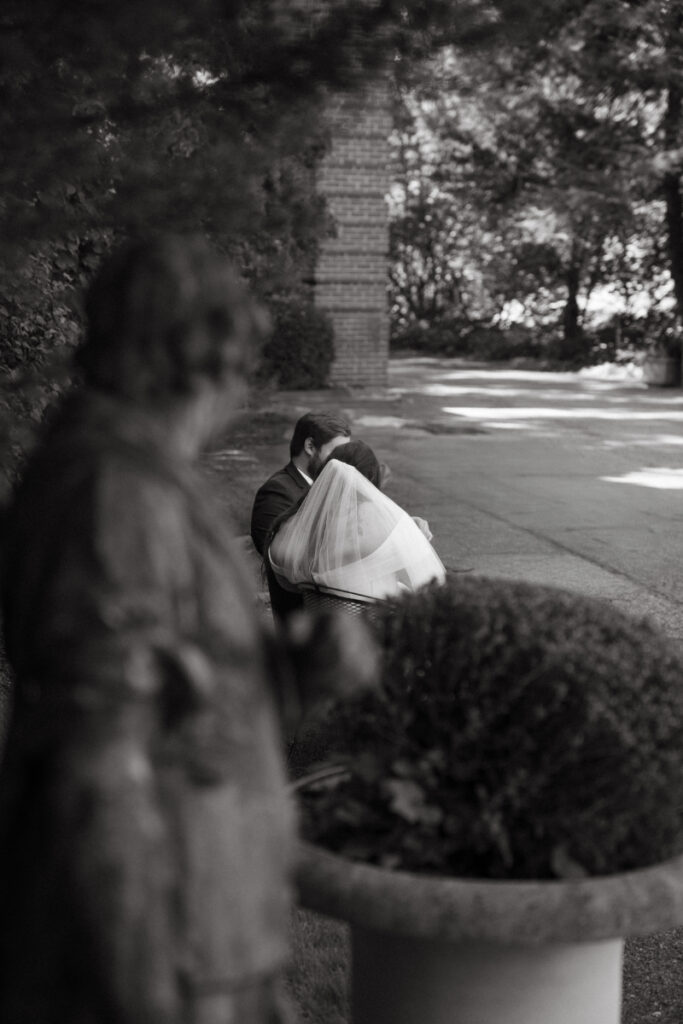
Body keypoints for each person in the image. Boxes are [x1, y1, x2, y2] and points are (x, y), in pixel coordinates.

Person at [0, 235, 376, 1024]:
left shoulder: (135, 475)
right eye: (236, 365)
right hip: (169, 937)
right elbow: (96, 767)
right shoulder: (112, 495)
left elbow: (173, 696)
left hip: (202, 911)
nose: (237, 392)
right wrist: (145, 984)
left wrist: (287, 673)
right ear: (190, 360)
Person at [268, 440, 446, 605]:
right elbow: (428, 581)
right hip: (376, 630)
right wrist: (410, 532)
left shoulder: (290, 527)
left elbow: (288, 583)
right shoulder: (378, 523)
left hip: (322, 628)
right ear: (368, 482)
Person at [250, 411, 350, 621]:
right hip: (301, 620)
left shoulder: (332, 485)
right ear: (310, 447)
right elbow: (280, 557)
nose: (343, 463)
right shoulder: (276, 492)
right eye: (337, 454)